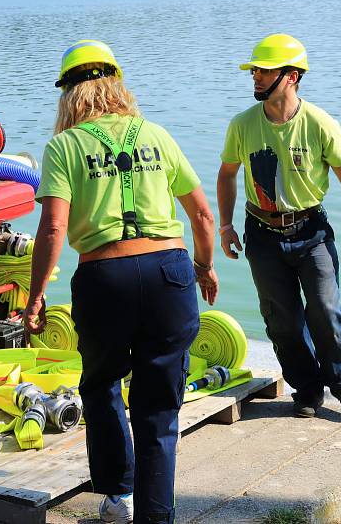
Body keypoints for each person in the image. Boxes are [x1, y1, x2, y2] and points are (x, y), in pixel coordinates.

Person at [23, 40, 218, 524]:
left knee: (102, 381)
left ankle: (118, 493)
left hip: (104, 276)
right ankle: (156, 517)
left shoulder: (64, 146)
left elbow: (52, 228)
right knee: (157, 409)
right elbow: (202, 214)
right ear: (117, 83)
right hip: (169, 271)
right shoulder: (157, 134)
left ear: (68, 94)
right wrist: (204, 266)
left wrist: (36, 294)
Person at [217, 33, 341, 418]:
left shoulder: (319, 123)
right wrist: (225, 226)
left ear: (291, 76)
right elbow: (227, 174)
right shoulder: (243, 124)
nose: (256, 78)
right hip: (261, 234)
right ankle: (308, 389)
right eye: (254, 72)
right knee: (283, 323)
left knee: (326, 310)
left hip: (311, 232)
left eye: (264, 71)